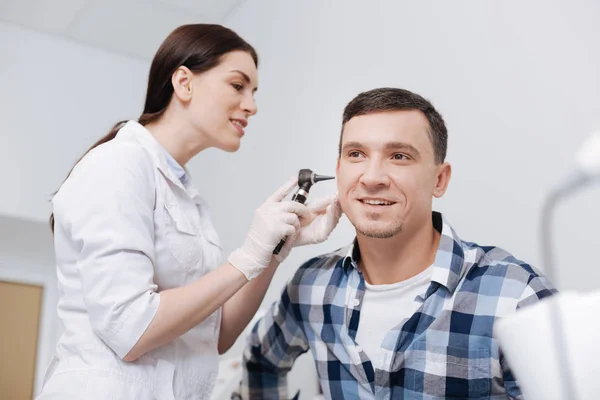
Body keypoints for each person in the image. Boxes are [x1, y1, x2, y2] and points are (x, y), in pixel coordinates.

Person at [37, 24, 341, 400]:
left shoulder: (186, 195)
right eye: (238, 85)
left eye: (254, 92)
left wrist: (275, 251)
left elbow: (216, 336)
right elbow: (130, 331)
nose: (252, 105)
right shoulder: (117, 166)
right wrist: (246, 256)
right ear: (184, 82)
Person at [236, 87, 556, 399]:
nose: (372, 177)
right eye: (356, 154)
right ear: (338, 170)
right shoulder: (311, 286)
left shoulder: (516, 295)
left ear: (439, 180)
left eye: (399, 156)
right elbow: (259, 361)